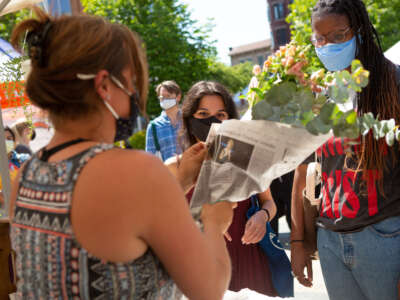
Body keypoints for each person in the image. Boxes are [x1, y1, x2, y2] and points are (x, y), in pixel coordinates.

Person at [9, 9, 236, 299]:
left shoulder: (26, 176)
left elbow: (115, 221)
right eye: (130, 81)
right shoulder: (136, 172)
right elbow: (209, 289)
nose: (135, 93)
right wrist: (215, 222)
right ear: (104, 85)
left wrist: (176, 185)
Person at [290, 1, 400, 299]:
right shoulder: (323, 96)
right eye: (320, 39)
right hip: (330, 243)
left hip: (385, 240)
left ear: (360, 31)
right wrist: (299, 242)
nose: (328, 46)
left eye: (339, 35)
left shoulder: (393, 83)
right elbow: (302, 170)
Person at [166, 81, 278, 296]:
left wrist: (262, 217)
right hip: (199, 268)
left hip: (249, 261)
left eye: (221, 115)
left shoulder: (249, 160)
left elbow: (269, 202)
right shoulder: (174, 167)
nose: (212, 121)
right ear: (190, 119)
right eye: (203, 113)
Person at [145, 80, 182, 161]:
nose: (164, 100)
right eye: (162, 97)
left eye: (168, 96)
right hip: (167, 172)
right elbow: (150, 158)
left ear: (178, 97)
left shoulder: (188, 120)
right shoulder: (153, 126)